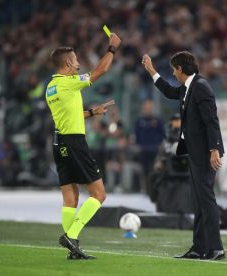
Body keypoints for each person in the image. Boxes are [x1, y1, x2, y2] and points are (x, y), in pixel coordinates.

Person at [142, 51, 225, 260]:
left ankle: (216, 248)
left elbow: (211, 121)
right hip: (196, 153)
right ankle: (199, 248)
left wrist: (214, 149)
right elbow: (170, 92)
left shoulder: (201, 87)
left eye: (173, 69)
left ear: (180, 69)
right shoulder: (190, 87)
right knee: (198, 201)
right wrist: (152, 72)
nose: (173, 73)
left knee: (206, 200)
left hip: (206, 153)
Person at [45, 32, 121, 260]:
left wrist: (91, 112)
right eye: (76, 59)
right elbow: (100, 72)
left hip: (59, 143)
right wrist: (112, 48)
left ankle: (72, 248)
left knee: (70, 198)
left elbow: (68, 114)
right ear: (68, 63)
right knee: (99, 195)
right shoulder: (69, 83)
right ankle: (72, 236)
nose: (78, 63)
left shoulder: (51, 86)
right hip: (75, 143)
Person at [134, 99, 165, 191]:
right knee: (145, 171)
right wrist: (137, 145)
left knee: (155, 170)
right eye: (145, 108)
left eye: (149, 108)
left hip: (155, 150)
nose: (147, 109)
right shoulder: (139, 121)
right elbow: (136, 135)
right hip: (143, 150)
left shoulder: (158, 120)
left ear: (152, 108)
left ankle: (155, 189)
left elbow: (163, 134)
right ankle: (147, 189)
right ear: (143, 108)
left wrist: (161, 146)